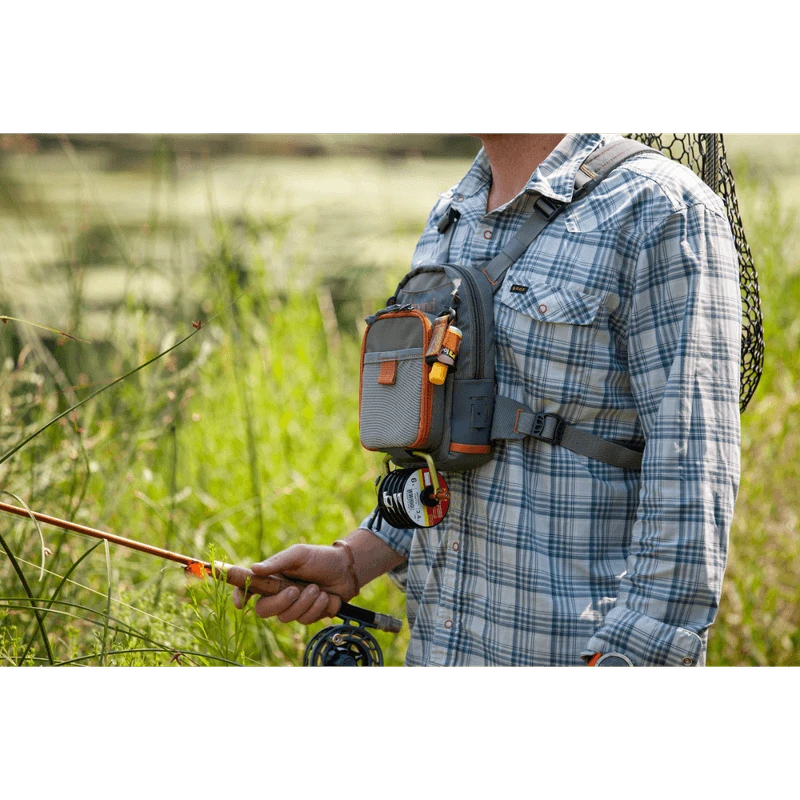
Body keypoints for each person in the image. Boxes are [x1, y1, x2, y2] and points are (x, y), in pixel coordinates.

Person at [234, 130, 742, 669]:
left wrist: (634, 657)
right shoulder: (450, 214)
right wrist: (354, 561)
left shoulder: (662, 208)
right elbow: (448, 459)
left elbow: (693, 475)